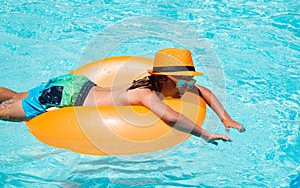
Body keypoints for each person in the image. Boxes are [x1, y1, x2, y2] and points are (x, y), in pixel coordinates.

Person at [0, 48, 245, 145]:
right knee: (7, 113)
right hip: (63, 97)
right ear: (162, 80)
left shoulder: (152, 82)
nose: (188, 87)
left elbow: (204, 91)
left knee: (16, 96)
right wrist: (204, 133)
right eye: (182, 82)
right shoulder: (146, 95)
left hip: (76, 83)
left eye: (188, 81)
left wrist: (226, 118)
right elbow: (170, 118)